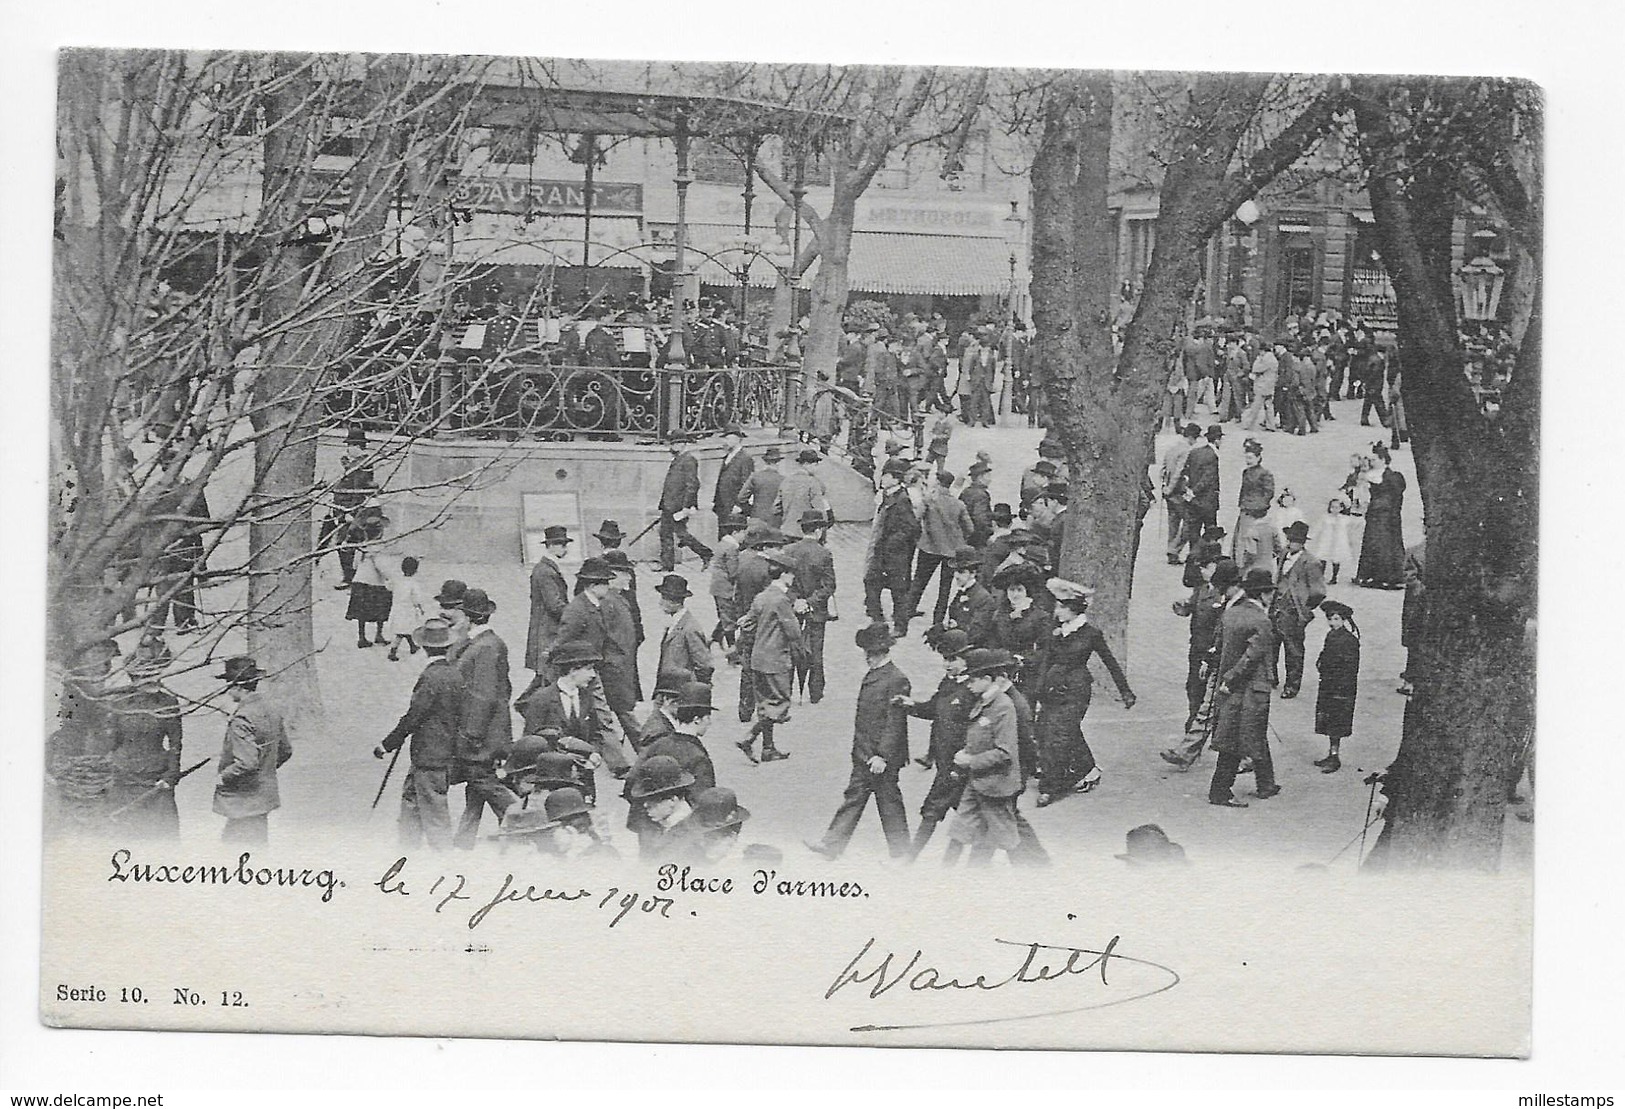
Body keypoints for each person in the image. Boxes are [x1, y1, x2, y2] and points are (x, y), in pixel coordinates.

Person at [805, 624, 913, 860]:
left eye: (872, 653)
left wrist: (882, 755)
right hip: (864, 753)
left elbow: (895, 722)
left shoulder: (897, 679)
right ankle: (831, 844)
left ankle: (902, 852)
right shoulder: (875, 674)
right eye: (867, 653)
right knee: (855, 797)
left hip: (880, 757)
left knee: (889, 804)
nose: (868, 658)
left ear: (884, 652)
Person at [1033, 579, 1136, 807]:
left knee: (1060, 735)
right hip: (1053, 690)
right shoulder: (1056, 631)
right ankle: (1087, 768)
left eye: (1061, 607)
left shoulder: (1091, 634)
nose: (1056, 611)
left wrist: (1126, 692)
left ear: (1073, 609)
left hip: (1076, 692)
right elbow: (1045, 662)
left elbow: (1110, 662)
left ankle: (1050, 787)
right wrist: (1039, 691)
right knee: (1047, 729)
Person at [374, 616, 465, 850]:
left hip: (431, 756)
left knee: (435, 817)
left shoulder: (431, 677)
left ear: (424, 647)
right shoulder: (455, 674)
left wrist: (387, 744)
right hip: (437, 754)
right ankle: (406, 856)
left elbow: (414, 716)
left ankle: (445, 864)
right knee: (410, 805)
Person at [450, 587, 520, 847]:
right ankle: (464, 839)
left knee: (484, 782)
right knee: (477, 785)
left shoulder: (486, 647)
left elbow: (484, 696)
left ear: (467, 617)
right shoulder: (483, 643)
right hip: (487, 730)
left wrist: (471, 735)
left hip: (482, 734)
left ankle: (526, 824)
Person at [942, 648, 1025, 866]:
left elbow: (1005, 752)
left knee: (1008, 840)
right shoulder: (983, 700)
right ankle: (939, 878)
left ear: (987, 679)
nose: (968, 684)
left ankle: (1032, 878)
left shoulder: (1003, 707)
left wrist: (971, 760)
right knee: (958, 831)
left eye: (972, 679)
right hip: (977, 782)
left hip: (996, 786)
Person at [1208, 568, 1281, 807]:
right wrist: (1232, 679)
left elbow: (1220, 647)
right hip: (1248, 689)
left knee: (1251, 734)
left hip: (1231, 687)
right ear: (1263, 595)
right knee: (1236, 741)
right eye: (1269, 593)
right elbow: (1251, 657)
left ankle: (1266, 784)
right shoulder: (1261, 620)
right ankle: (1220, 791)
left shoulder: (1231, 614)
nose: (1271, 597)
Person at [513, 640, 620, 803]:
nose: (593, 675)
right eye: (589, 669)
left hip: (582, 779)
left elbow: (596, 733)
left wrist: (594, 753)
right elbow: (530, 743)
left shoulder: (586, 698)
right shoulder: (541, 699)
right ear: (573, 670)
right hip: (552, 780)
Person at [1162, 558, 1243, 770]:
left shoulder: (1236, 602)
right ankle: (1188, 750)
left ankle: (1247, 758)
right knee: (1199, 697)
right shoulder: (1203, 590)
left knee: (1218, 707)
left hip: (1225, 659)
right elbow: (1193, 609)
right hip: (1205, 653)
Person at [903, 627, 976, 856]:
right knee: (965, 817)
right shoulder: (949, 682)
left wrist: (959, 765)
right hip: (946, 763)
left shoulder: (972, 689)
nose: (947, 664)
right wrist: (911, 706)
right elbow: (934, 708)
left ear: (966, 659)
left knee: (936, 811)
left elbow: (976, 733)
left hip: (961, 767)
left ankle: (910, 860)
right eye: (945, 659)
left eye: (953, 659)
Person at [104, 646, 183, 839]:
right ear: (134, 677)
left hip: (156, 780)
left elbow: (176, 743)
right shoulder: (118, 703)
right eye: (146, 675)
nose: (154, 679)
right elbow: (110, 743)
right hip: (123, 779)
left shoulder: (167, 702)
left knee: (159, 838)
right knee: (124, 836)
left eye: (155, 673)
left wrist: (171, 775)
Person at [211, 657, 291, 844]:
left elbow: (246, 763)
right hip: (263, 798)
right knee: (258, 845)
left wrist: (223, 776)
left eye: (228, 684)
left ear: (237, 686)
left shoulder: (241, 719)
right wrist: (266, 768)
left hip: (243, 800)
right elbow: (286, 750)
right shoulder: (271, 709)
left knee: (236, 850)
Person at [735, 551, 803, 764]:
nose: (793, 578)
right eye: (791, 574)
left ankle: (768, 748)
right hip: (775, 660)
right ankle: (749, 737)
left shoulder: (761, 596)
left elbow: (746, 624)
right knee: (780, 703)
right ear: (783, 574)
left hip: (757, 658)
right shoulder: (781, 600)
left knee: (764, 703)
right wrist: (800, 613)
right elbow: (794, 633)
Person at [784, 508, 837, 704]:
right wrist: (810, 602)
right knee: (816, 651)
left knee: (790, 650)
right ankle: (815, 692)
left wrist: (796, 601)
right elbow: (829, 585)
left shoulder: (789, 551)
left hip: (792, 610)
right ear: (818, 530)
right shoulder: (824, 553)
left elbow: (784, 583)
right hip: (816, 612)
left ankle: (787, 690)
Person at [864, 458, 921, 637]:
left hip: (895, 555)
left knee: (898, 591)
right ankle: (878, 619)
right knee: (871, 583)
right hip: (882, 552)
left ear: (896, 479)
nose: (882, 479)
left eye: (886, 476)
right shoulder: (888, 496)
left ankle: (899, 626)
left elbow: (912, 528)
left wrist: (893, 544)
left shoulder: (902, 499)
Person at [1271, 521, 1328, 699]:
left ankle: (1292, 685)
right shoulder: (1283, 554)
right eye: (1289, 539)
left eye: (1294, 540)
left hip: (1294, 612)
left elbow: (1319, 592)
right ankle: (1271, 677)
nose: (1290, 543)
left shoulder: (1311, 562)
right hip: (1276, 608)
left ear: (1303, 542)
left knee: (1293, 650)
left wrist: (1304, 609)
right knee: (1271, 645)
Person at [910, 471, 973, 627]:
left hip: (929, 548)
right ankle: (937, 621)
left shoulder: (928, 501)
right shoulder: (958, 504)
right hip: (951, 551)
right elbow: (970, 528)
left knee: (918, 582)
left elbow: (916, 518)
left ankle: (906, 614)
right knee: (944, 588)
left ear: (938, 483)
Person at [1314, 601, 1361, 774]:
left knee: (1337, 722)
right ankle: (1331, 753)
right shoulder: (1331, 636)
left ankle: (1335, 757)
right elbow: (1325, 656)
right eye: (1329, 619)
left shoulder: (1350, 640)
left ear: (1344, 620)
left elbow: (1350, 667)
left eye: (1335, 619)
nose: (1332, 622)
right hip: (1329, 685)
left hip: (1341, 688)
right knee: (1328, 721)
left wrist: (1338, 683)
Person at [626, 754, 697, 861]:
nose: (646, 805)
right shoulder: (653, 824)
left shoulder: (692, 834)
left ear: (673, 800)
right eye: (645, 800)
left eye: (653, 801)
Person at [1355, 444, 1407, 589]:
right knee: (1372, 542)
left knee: (1387, 543)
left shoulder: (1393, 476)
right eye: (1370, 459)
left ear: (1383, 459)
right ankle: (1371, 575)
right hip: (1374, 514)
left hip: (1387, 514)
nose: (1372, 462)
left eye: (1374, 459)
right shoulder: (1368, 475)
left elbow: (1396, 495)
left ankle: (1390, 577)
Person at [524, 525, 572, 673]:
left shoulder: (547, 568)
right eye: (562, 545)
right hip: (547, 632)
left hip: (546, 630)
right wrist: (575, 613)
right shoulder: (546, 571)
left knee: (544, 678)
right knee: (548, 675)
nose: (565, 549)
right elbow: (555, 605)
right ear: (550, 546)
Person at [658, 445, 713, 573]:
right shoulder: (678, 459)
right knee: (666, 533)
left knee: (681, 533)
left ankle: (705, 553)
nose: (671, 446)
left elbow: (693, 484)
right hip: (669, 504)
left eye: (674, 443)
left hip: (678, 506)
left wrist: (686, 507)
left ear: (682, 444)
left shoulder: (689, 460)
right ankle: (667, 565)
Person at [344, 506, 392, 649]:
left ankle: (362, 637)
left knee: (361, 613)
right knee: (380, 610)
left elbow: (354, 564)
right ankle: (379, 634)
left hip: (359, 581)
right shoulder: (377, 547)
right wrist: (390, 577)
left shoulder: (362, 546)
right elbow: (381, 565)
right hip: (375, 583)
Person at [655, 574, 713, 686]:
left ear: (674, 602)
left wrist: (694, 689)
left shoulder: (690, 628)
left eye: (663, 598)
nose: (660, 603)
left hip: (682, 690)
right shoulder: (674, 622)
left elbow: (704, 665)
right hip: (667, 688)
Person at [1232, 440, 1279, 572]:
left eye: (1251, 458)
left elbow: (1269, 493)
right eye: (1246, 457)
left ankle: (1251, 567)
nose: (1248, 460)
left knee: (1252, 539)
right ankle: (1240, 566)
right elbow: (1243, 490)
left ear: (1258, 458)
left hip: (1256, 512)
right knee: (1240, 540)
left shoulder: (1265, 474)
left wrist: (1259, 507)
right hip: (1245, 509)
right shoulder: (1246, 472)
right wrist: (1242, 504)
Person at [1173, 426, 1223, 541]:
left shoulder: (1195, 452)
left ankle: (1194, 554)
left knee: (1194, 530)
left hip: (1193, 500)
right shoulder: (1213, 456)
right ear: (1217, 440)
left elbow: (1185, 472)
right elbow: (1208, 478)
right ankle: (1207, 555)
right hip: (1208, 500)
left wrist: (1188, 490)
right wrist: (1195, 490)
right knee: (1210, 530)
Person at [1160, 423, 1199, 564]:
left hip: (1168, 491)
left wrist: (1164, 487)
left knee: (1173, 522)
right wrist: (1171, 488)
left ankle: (1172, 554)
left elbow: (1164, 469)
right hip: (1178, 491)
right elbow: (1178, 472)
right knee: (1189, 522)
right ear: (1191, 437)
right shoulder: (1186, 450)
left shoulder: (1172, 448)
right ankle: (1173, 549)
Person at [944, 548, 999, 646]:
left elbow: (977, 631)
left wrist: (956, 626)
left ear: (972, 573)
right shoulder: (962, 592)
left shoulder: (983, 598)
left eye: (961, 572)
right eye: (955, 571)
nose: (956, 575)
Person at [708, 513, 746, 649]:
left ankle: (714, 638)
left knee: (726, 614)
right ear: (735, 532)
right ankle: (732, 650)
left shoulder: (722, 543)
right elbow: (733, 572)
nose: (744, 536)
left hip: (717, 586)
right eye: (743, 532)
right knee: (729, 617)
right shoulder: (732, 548)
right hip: (725, 588)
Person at [774, 449, 831, 534]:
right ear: (806, 464)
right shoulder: (812, 482)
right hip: (805, 531)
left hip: (786, 529)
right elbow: (819, 509)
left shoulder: (786, 481)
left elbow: (775, 508)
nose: (817, 468)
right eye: (815, 464)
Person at [386, 556, 431, 663]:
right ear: (415, 570)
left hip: (397, 608)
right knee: (402, 632)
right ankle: (393, 651)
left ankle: (412, 646)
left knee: (405, 629)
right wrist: (419, 607)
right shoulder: (413, 583)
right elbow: (416, 597)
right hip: (408, 610)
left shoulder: (397, 580)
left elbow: (389, 587)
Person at [712, 424, 755, 532]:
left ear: (737, 439)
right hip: (722, 506)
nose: (725, 442)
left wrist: (740, 505)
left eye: (728, 438)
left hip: (734, 508)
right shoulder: (727, 457)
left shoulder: (745, 458)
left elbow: (747, 484)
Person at [1397, 540, 1426, 696]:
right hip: (1422, 601)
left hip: (1420, 601)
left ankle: (1411, 680)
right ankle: (1412, 678)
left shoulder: (1414, 551)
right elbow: (1408, 576)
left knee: (1415, 639)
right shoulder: (1415, 552)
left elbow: (1408, 576)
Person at [1315, 491, 1357, 586]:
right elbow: (1318, 527)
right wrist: (1311, 535)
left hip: (1338, 541)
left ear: (1341, 508)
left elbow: (1350, 529)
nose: (1334, 509)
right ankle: (1321, 576)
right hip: (1327, 539)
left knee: (1336, 558)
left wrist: (1350, 540)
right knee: (1323, 557)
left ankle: (1334, 577)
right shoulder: (1325, 517)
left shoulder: (1344, 519)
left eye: (1337, 507)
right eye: (1332, 507)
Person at [736, 447, 786, 527]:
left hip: (757, 517)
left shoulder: (755, 477)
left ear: (765, 462)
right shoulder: (783, 480)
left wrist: (750, 510)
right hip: (776, 519)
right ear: (778, 463)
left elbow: (741, 498)